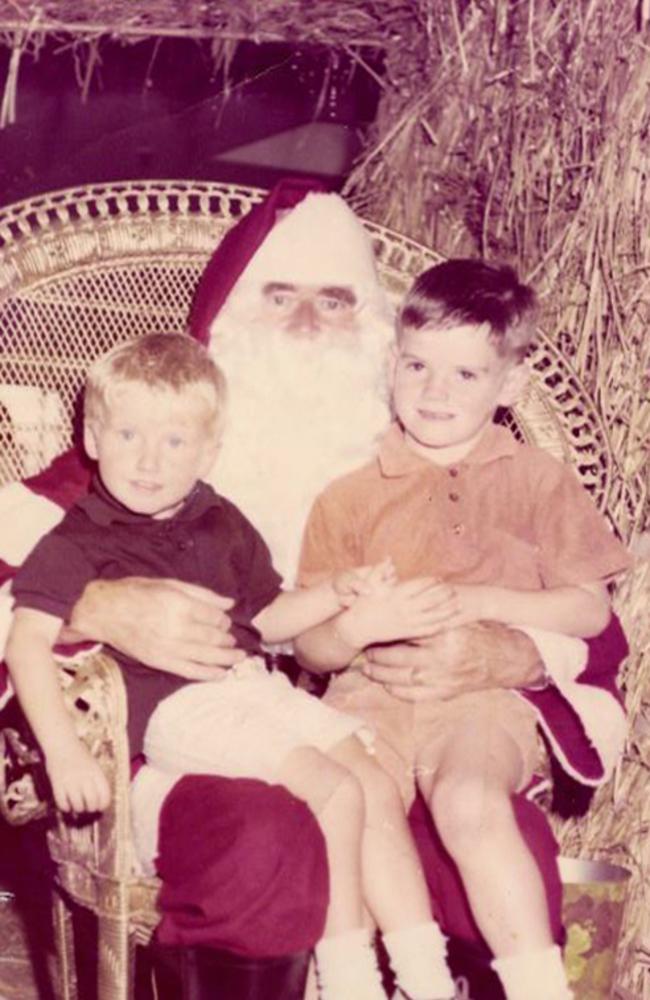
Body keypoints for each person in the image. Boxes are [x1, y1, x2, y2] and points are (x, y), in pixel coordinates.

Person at [0, 179, 630, 997]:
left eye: (336, 302)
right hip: (193, 742)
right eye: (280, 296)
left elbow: (591, 623)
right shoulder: (137, 459)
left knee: (493, 841)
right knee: (267, 839)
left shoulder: (414, 459)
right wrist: (98, 607)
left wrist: (503, 652)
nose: (304, 324)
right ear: (227, 324)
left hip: (395, 731)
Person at [6, 331, 458, 1000]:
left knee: (372, 781)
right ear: (93, 438)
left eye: (175, 441)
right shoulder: (76, 540)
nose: (150, 461)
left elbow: (265, 619)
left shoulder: (220, 520)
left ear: (210, 450)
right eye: (129, 435)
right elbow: (24, 644)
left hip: (251, 688)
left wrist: (336, 593)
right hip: (174, 713)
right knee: (333, 789)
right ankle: (350, 981)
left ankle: (428, 980)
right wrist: (65, 751)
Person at [295, 259, 632, 1000]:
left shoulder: (539, 480)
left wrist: (481, 598)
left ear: (509, 385)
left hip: (479, 703)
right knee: (341, 798)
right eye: (417, 366)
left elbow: (589, 610)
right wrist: (358, 626)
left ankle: (541, 989)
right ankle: (369, 983)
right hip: (366, 701)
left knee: (470, 802)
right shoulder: (348, 496)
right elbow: (310, 647)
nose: (435, 392)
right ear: (392, 365)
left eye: (466, 375)